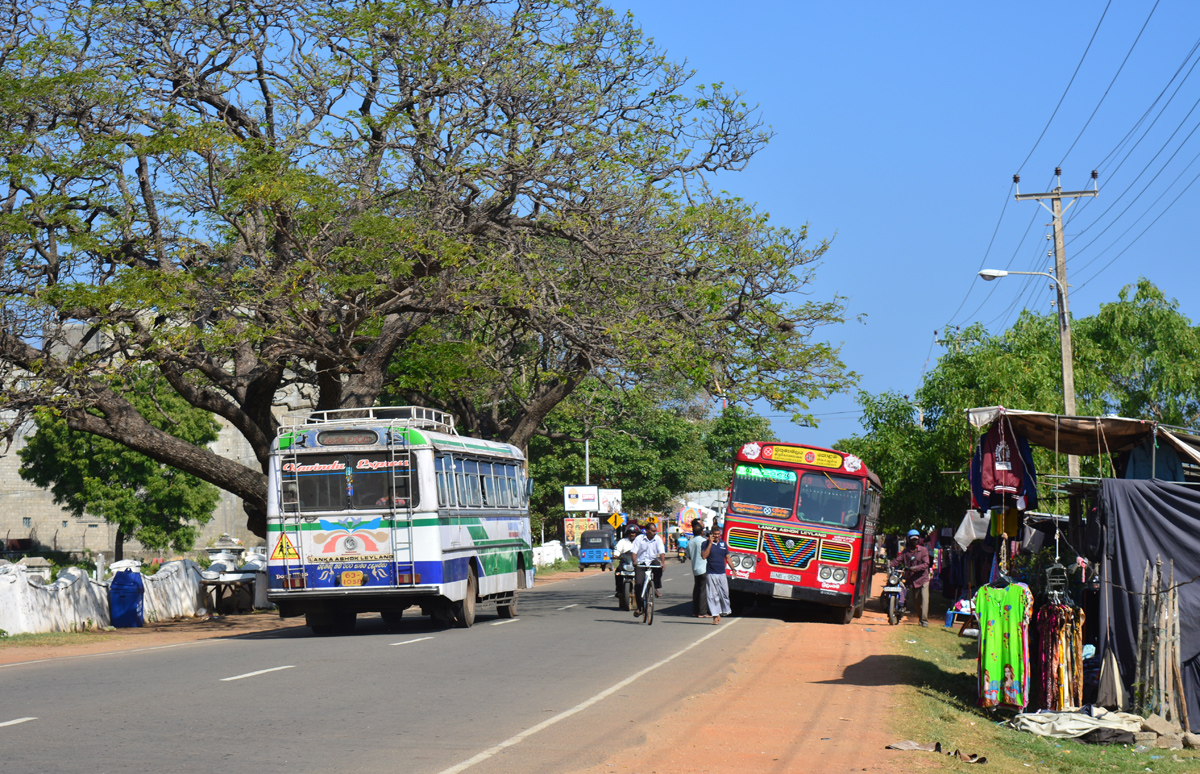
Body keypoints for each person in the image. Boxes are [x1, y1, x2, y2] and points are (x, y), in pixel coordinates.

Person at [891, 528, 931, 627]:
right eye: (912, 539)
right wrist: (889, 564)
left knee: (924, 600)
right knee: (916, 602)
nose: (914, 541)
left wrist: (915, 568)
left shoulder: (923, 550)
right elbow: (897, 561)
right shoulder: (906, 552)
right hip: (913, 580)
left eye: (916, 539)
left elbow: (926, 564)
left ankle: (925, 621)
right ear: (909, 540)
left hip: (923, 578)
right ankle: (920, 618)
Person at [632, 522, 666, 616]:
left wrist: (663, 562)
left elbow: (662, 552)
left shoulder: (657, 539)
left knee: (658, 568)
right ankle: (639, 608)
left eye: (655, 531)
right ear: (647, 531)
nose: (654, 533)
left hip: (652, 560)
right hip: (641, 562)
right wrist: (634, 562)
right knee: (638, 585)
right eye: (653, 531)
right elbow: (634, 552)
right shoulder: (639, 538)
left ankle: (655, 588)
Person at [702, 524, 733, 624]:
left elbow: (728, 557)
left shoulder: (724, 544)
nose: (716, 536)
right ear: (711, 534)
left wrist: (733, 568)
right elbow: (704, 556)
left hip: (721, 573)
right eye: (714, 534)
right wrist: (710, 544)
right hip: (711, 573)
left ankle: (723, 611)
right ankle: (715, 616)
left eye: (718, 534)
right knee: (712, 595)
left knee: (724, 594)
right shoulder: (705, 544)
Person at [685, 518, 709, 617]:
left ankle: (695, 611)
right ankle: (702, 612)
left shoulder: (690, 542)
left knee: (697, 590)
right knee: (703, 591)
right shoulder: (704, 541)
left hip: (695, 569)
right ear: (702, 532)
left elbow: (689, 556)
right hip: (704, 568)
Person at [613, 527, 636, 597]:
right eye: (630, 533)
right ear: (627, 534)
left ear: (636, 534)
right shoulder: (622, 541)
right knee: (618, 572)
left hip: (636, 562)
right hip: (625, 561)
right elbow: (618, 549)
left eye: (633, 533)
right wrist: (616, 555)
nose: (632, 534)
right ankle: (619, 590)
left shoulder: (639, 541)